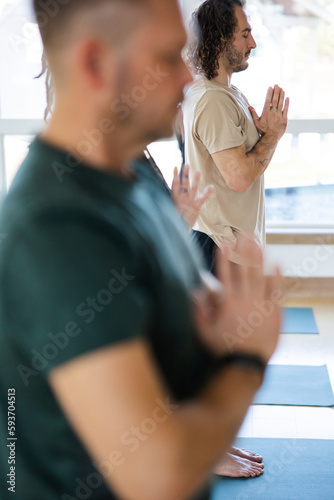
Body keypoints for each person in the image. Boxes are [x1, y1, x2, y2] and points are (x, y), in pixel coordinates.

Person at [0, 1, 282, 499]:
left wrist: (213, 329)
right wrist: (248, 363)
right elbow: (160, 474)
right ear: (95, 63)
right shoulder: (59, 228)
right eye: (167, 57)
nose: (184, 79)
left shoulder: (137, 182)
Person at [183, 0, 289, 271]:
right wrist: (273, 136)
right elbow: (239, 177)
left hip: (227, 250)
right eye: (245, 34)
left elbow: (239, 163)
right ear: (220, 39)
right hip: (222, 252)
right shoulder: (212, 100)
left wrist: (263, 134)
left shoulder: (226, 94)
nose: (252, 43)